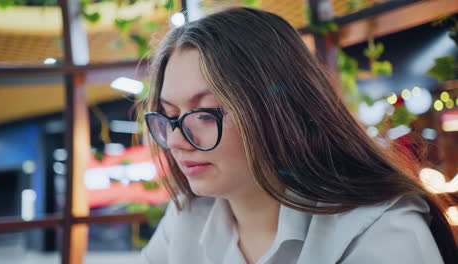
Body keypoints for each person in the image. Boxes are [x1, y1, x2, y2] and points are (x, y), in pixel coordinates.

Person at [140, 7, 457, 264]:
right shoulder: (188, 216)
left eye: (206, 114)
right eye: (169, 117)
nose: (176, 141)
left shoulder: (376, 230)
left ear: (280, 110)